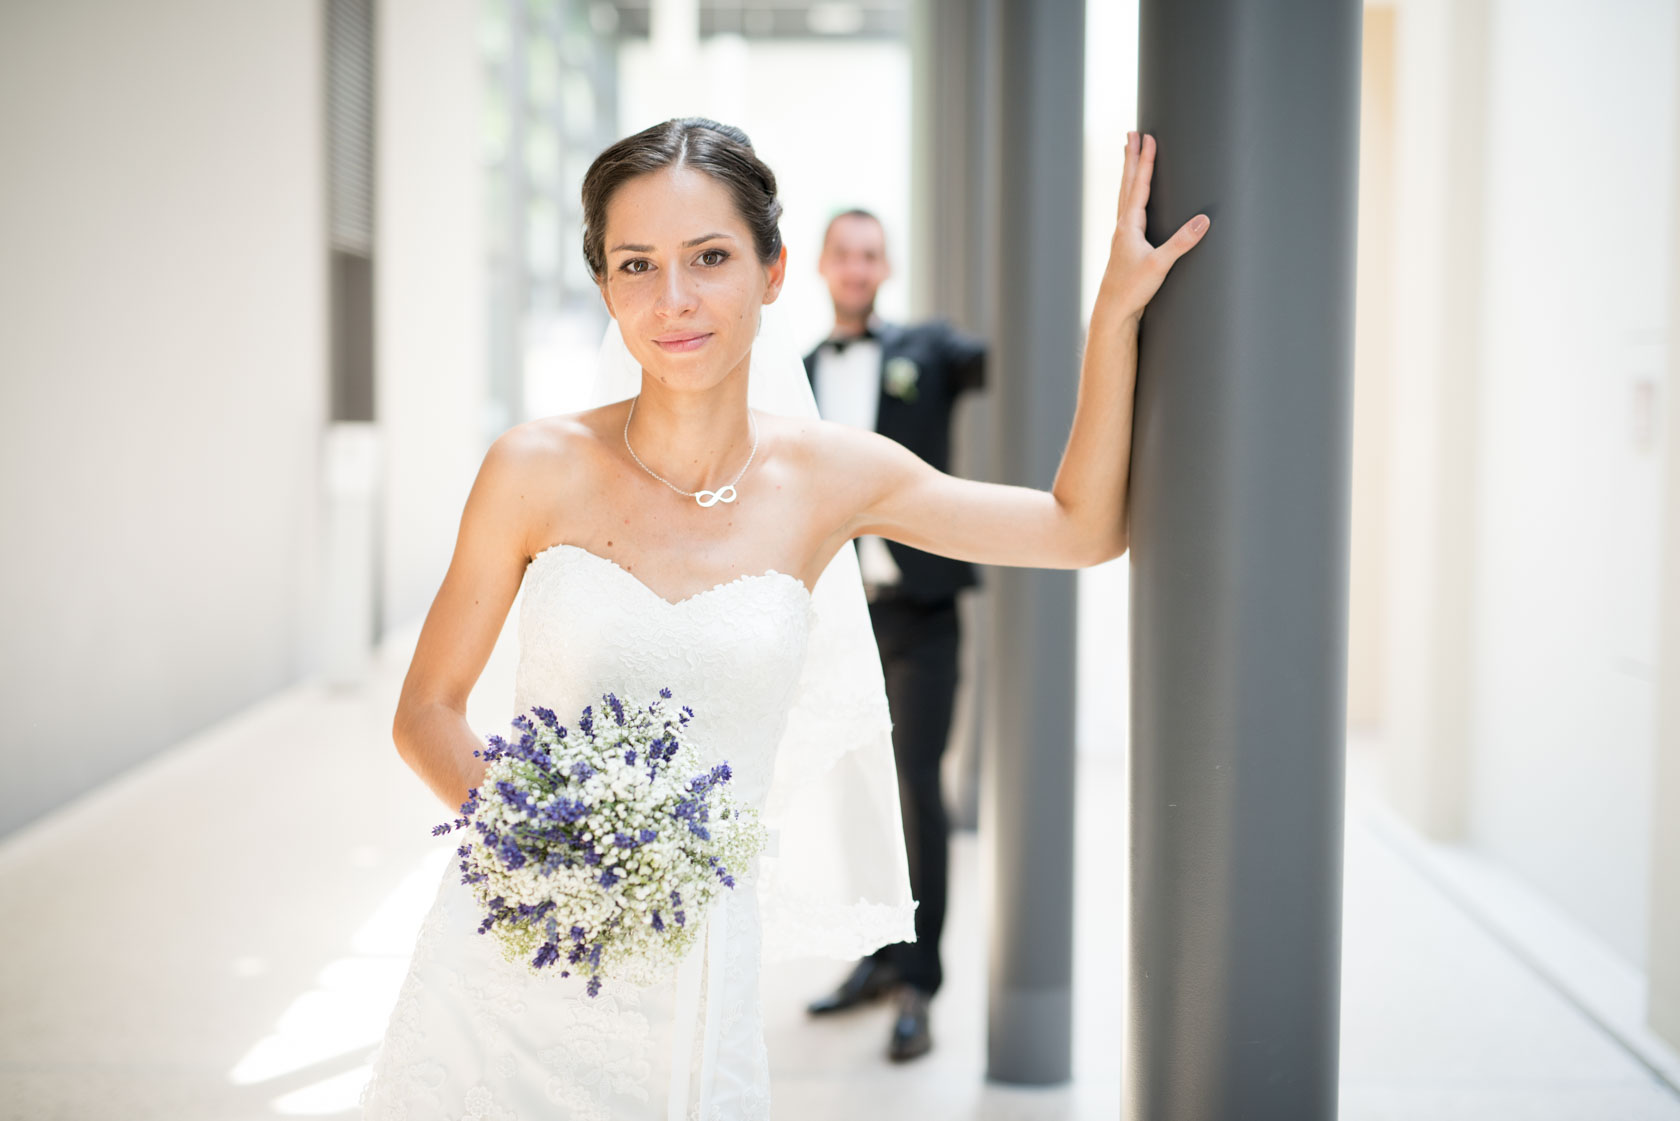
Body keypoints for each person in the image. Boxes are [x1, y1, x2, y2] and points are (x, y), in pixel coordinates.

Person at [359, 117, 1207, 1120]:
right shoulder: (530, 467)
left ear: (773, 271)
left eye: (710, 257)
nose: (673, 299)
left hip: (702, 972)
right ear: (604, 287)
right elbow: (426, 710)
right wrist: (560, 854)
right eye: (637, 264)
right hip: (516, 949)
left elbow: (1079, 527)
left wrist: (1113, 314)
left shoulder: (833, 475)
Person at [801, 208, 985, 1062]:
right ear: (821, 265)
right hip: (839, 618)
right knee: (857, 789)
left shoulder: (930, 352)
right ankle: (878, 954)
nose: (856, 266)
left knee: (915, 786)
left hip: (921, 613)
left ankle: (919, 981)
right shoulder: (799, 374)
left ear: (886, 267)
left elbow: (1006, 356)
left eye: (870, 254)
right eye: (844, 253)